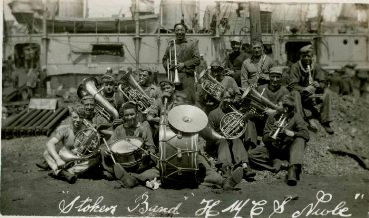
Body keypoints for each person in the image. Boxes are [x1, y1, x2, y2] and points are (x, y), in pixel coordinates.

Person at [112, 91, 244, 190]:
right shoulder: (168, 114)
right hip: (169, 152)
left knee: (206, 169)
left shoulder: (192, 116)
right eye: (174, 100)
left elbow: (207, 135)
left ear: (186, 104)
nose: (174, 102)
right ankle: (132, 179)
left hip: (192, 153)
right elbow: (162, 134)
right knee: (158, 169)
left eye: (178, 100)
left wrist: (214, 133)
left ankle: (224, 183)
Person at [249, 94, 309, 186]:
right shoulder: (272, 117)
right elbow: (265, 139)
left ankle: (292, 169)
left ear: (286, 109)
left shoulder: (296, 117)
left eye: (279, 105)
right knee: (251, 155)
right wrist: (270, 134)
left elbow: (306, 134)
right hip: (274, 149)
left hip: (288, 149)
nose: (276, 106)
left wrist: (292, 133)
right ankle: (279, 164)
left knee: (300, 140)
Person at [101, 102, 157, 186]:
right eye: (126, 115)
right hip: (122, 162)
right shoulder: (119, 129)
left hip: (140, 164)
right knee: (101, 149)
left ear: (137, 114)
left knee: (155, 162)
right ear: (123, 116)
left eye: (132, 114)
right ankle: (133, 177)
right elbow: (109, 145)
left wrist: (148, 153)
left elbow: (152, 147)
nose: (129, 117)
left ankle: (126, 176)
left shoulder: (144, 128)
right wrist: (107, 151)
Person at [41, 106, 100, 184]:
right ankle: (62, 171)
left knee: (96, 159)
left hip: (79, 159)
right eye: (75, 117)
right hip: (65, 157)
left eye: (81, 117)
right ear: (70, 117)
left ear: (84, 118)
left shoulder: (89, 131)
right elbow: (50, 143)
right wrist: (58, 159)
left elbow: (93, 150)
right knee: (46, 153)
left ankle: (62, 172)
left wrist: (93, 149)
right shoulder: (65, 129)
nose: (78, 120)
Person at [207, 88, 255, 179]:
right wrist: (220, 136)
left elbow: (240, 131)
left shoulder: (235, 112)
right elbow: (210, 135)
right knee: (223, 141)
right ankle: (226, 168)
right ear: (220, 98)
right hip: (218, 142)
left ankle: (244, 166)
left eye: (230, 98)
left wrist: (244, 120)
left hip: (232, 139)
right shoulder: (213, 114)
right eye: (226, 98)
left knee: (236, 139)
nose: (228, 101)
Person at [288, 45, 334, 134]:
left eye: (308, 56)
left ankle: (326, 122)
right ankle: (300, 120)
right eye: (304, 56)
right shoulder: (295, 67)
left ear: (312, 57)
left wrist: (319, 85)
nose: (306, 58)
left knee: (327, 92)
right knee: (295, 93)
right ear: (300, 57)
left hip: (313, 96)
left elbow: (323, 82)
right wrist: (304, 89)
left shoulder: (316, 66)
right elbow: (292, 85)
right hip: (301, 96)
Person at [162, 23, 200, 94]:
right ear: (174, 32)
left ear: (185, 31)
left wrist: (184, 64)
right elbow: (164, 59)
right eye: (177, 30)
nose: (179, 32)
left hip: (187, 77)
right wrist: (168, 65)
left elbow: (197, 59)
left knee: (188, 100)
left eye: (182, 30)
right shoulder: (171, 45)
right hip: (173, 77)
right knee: (174, 100)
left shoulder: (192, 44)